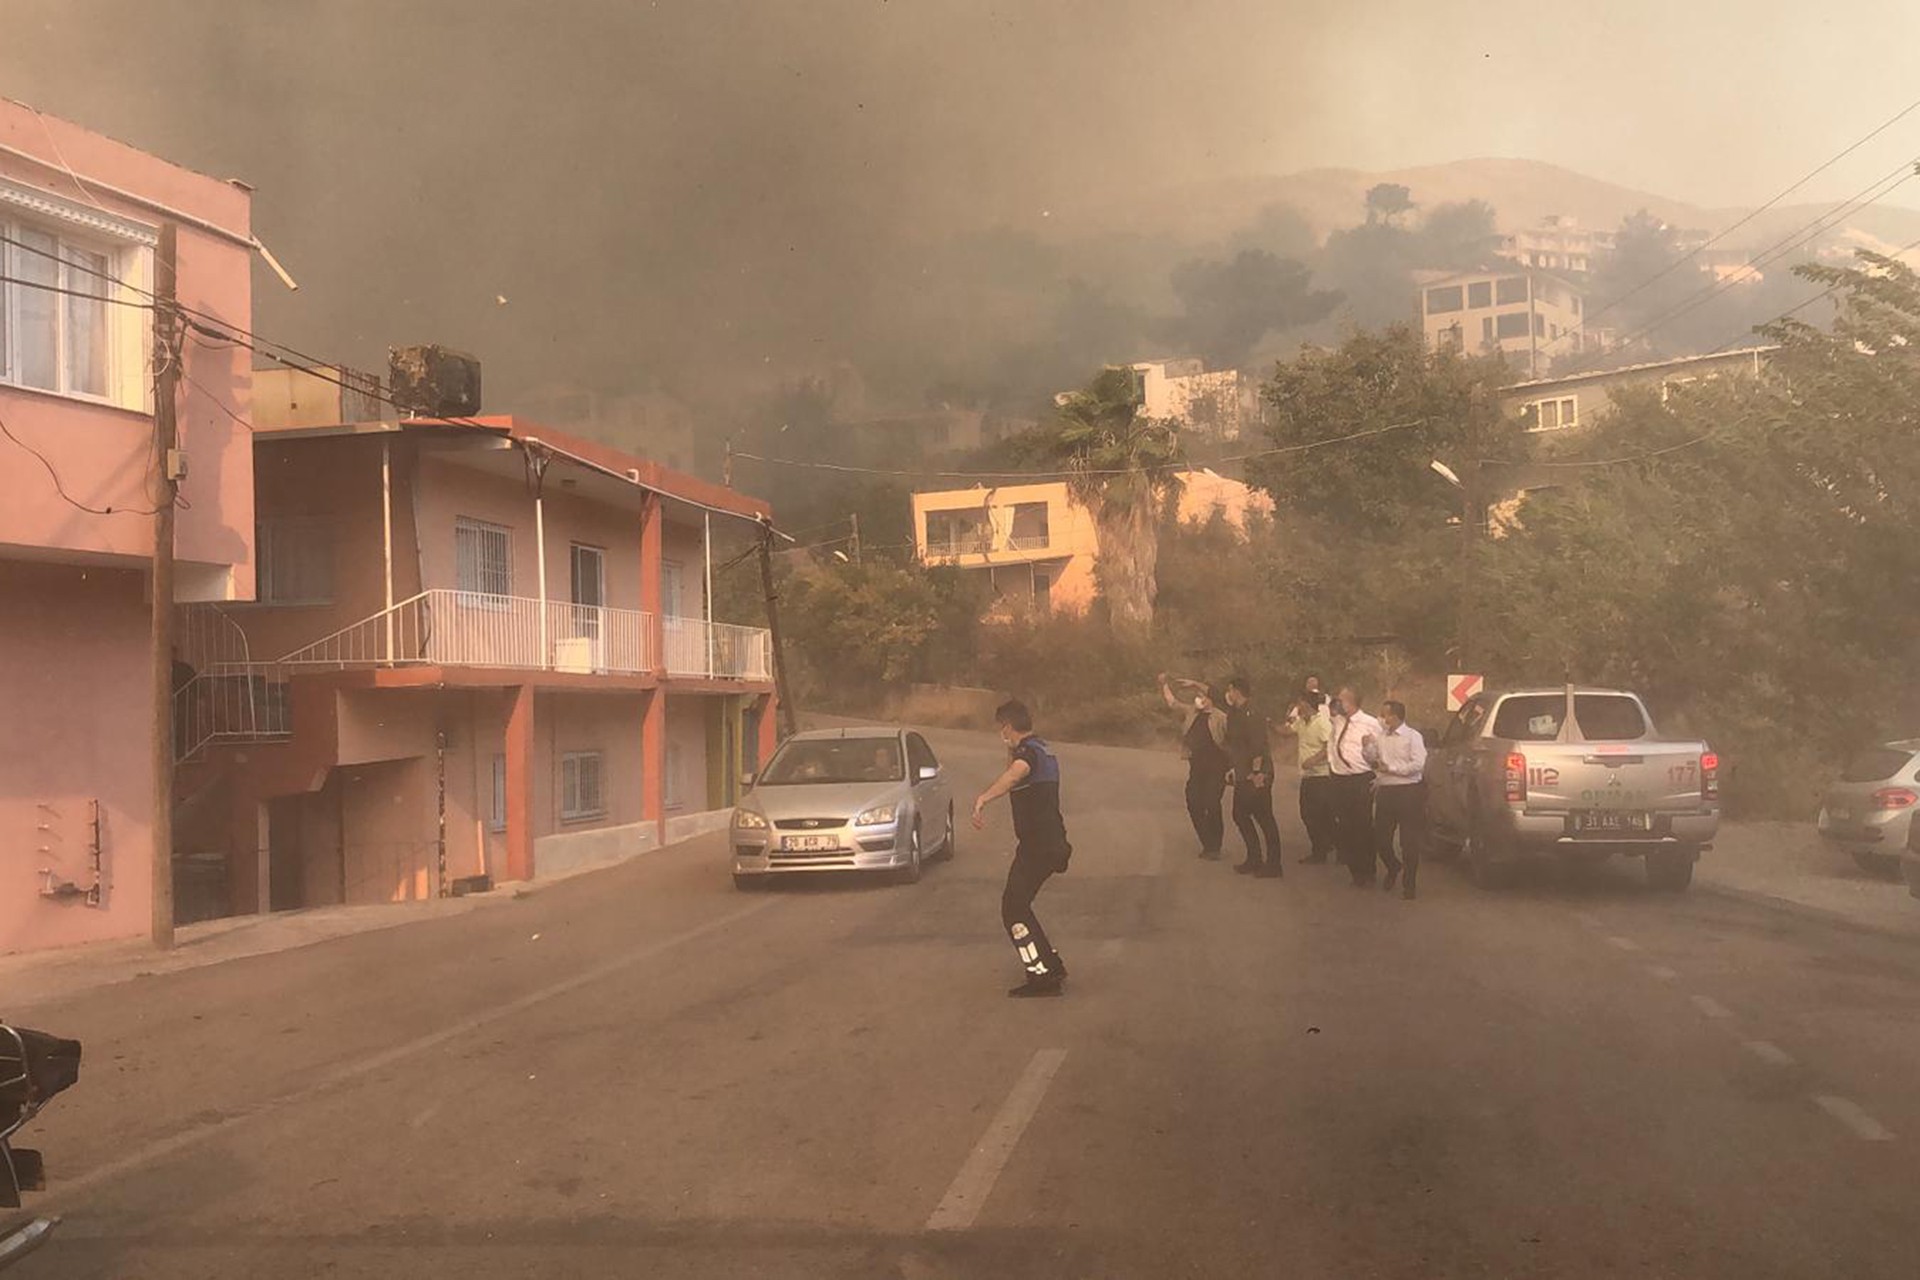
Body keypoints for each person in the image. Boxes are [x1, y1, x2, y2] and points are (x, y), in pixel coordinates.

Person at [973, 700, 1073, 997]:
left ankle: (1042, 977)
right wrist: (1010, 748)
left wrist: (983, 798)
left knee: (1013, 909)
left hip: (1038, 845)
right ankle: (1051, 965)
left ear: (1007, 726)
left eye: (1000, 729)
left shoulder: (1028, 753)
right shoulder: (1043, 747)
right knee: (1019, 905)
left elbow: (1015, 774)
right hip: (1049, 841)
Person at [1159, 672, 1230, 860]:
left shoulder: (1221, 717)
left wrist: (1194, 684)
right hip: (1197, 766)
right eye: (1198, 697)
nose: (1199, 700)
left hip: (1217, 766)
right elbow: (1172, 703)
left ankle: (1215, 845)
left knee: (1212, 803)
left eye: (1202, 697)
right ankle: (1208, 843)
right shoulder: (1192, 712)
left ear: (1210, 700)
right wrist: (1164, 684)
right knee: (1193, 803)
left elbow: (1232, 742)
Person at [1223, 677, 1285, 878]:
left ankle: (1274, 864)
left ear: (1237, 691)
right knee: (1240, 814)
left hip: (1258, 773)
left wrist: (1257, 774)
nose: (1228, 694)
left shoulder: (1253, 713)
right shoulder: (1234, 713)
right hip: (1242, 772)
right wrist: (1232, 767)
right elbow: (1233, 744)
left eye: (1230, 690)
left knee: (1264, 817)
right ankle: (1254, 858)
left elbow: (1258, 745)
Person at [1369, 699, 1429, 899]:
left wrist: (1392, 769)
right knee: (1380, 838)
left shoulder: (1413, 737)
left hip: (1409, 791)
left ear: (1395, 716)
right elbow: (1370, 759)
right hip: (1386, 791)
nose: (1382, 719)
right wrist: (1367, 748)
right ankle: (1393, 866)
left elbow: (1418, 764)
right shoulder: (1380, 737)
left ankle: (1409, 884)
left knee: (1409, 842)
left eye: (1385, 715)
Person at [1328, 685, 1384, 886]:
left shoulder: (1369, 723)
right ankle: (1355, 870)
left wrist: (1379, 775)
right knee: (1345, 825)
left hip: (1360, 778)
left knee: (1362, 825)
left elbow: (1380, 751)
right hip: (1340, 777)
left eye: (1341, 700)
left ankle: (1367, 870)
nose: (1337, 702)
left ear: (1350, 702)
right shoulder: (1338, 721)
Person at [1284, 693, 1338, 864]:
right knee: (1311, 815)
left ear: (1308, 705)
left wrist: (1314, 760)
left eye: (1300, 704)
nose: (1298, 707)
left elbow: (1330, 746)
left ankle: (1325, 849)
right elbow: (1287, 732)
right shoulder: (1302, 721)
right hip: (1308, 775)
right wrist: (1269, 723)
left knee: (1317, 815)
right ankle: (1326, 846)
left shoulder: (1321, 722)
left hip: (1321, 776)